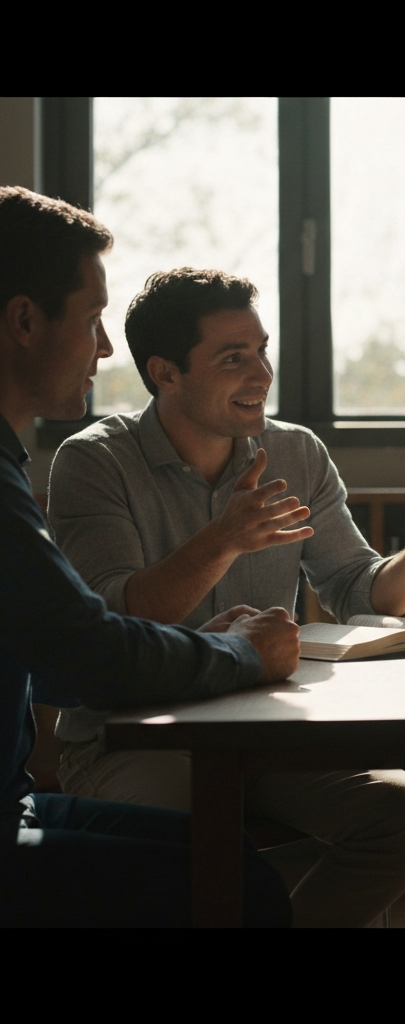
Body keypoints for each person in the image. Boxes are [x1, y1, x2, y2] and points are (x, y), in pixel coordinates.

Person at [47, 266, 405, 927]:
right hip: (132, 737)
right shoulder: (93, 462)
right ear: (165, 373)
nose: (261, 375)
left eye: (262, 350)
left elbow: (361, 592)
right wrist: (221, 540)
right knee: (184, 858)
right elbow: (109, 617)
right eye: (233, 358)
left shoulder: (295, 452)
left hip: (264, 729)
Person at [0, 185, 295, 927]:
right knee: (237, 889)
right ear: (25, 321)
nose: (105, 348)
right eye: (94, 318)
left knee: (233, 863)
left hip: (16, 801)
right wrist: (243, 655)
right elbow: (89, 656)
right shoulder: (73, 464)